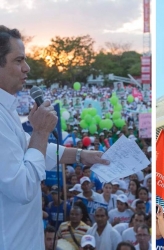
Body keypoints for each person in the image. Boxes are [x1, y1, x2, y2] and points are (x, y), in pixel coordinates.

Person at [0, 25, 109, 249]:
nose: (27, 68)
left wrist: (81, 155)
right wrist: (40, 131)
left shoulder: (7, 109)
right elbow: (23, 186)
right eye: (18, 60)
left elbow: (32, 149)